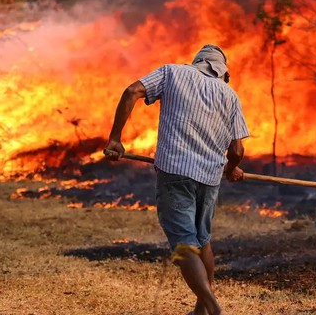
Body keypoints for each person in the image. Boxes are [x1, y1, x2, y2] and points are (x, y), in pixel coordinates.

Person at [104, 44, 249, 315]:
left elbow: (132, 91)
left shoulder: (172, 73)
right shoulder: (230, 95)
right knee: (202, 239)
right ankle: (201, 310)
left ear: (196, 63)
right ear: (222, 73)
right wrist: (231, 168)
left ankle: (212, 306)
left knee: (184, 242)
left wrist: (115, 138)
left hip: (175, 172)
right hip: (209, 178)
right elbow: (237, 151)